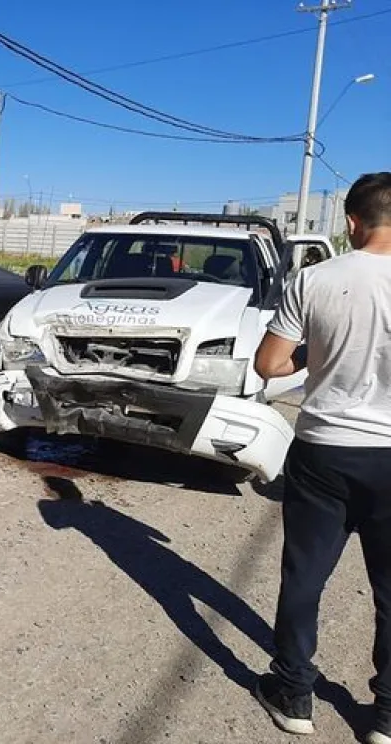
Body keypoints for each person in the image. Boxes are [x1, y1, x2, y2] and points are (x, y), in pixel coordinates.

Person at [253, 172, 391, 742]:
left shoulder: (314, 279)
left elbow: (269, 365)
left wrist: (314, 354)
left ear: (352, 222)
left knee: (305, 575)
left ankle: (293, 693)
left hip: (325, 450)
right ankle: (386, 714)